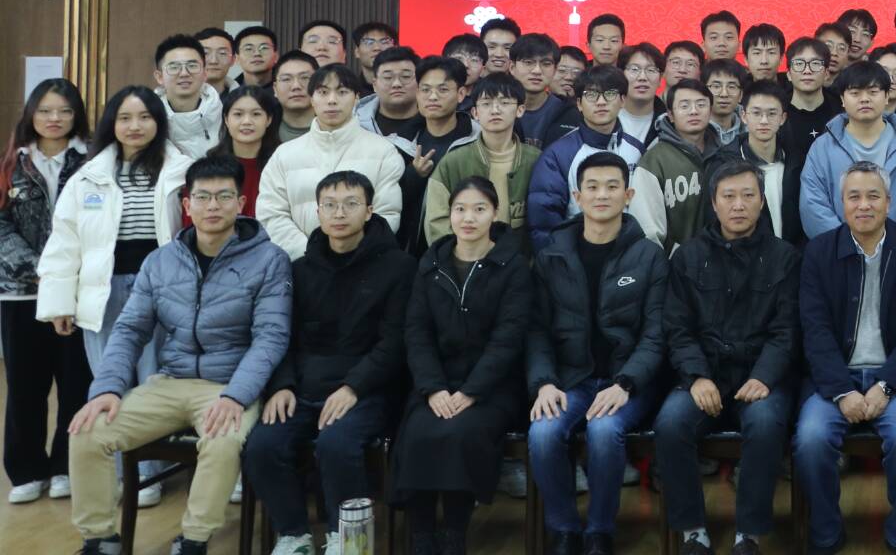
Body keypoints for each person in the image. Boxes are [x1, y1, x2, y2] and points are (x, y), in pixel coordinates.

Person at [65, 155, 292, 555]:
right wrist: (108, 388)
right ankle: (100, 539)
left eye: (224, 196)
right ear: (187, 204)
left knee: (221, 439)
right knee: (88, 429)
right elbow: (130, 329)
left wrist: (236, 395)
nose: (213, 206)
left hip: (230, 385)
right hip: (171, 382)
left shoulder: (269, 260)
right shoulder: (161, 261)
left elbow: (271, 337)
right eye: (202, 197)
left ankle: (194, 540)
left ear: (242, 203)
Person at [37, 86, 193, 507]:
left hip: (162, 290)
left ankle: (151, 472)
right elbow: (65, 240)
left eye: (144, 117)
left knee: (155, 382)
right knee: (112, 382)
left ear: (158, 122)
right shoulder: (88, 175)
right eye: (125, 118)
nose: (134, 126)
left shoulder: (180, 171)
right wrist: (59, 302)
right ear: (112, 123)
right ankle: (124, 471)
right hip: (102, 292)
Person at [244, 170, 413, 555]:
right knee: (262, 445)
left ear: (369, 210)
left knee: (337, 444)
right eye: (330, 205)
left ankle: (348, 540)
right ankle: (293, 535)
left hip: (368, 389)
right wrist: (282, 385)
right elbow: (282, 336)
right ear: (317, 212)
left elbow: (395, 342)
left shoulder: (399, 267)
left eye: (351, 204)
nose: (340, 213)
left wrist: (354, 387)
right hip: (303, 388)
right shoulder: (300, 269)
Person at [656, 157, 802, 555]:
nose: (739, 205)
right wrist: (697, 376)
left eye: (748, 196)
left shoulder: (784, 257)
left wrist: (764, 376)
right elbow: (677, 328)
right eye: (729, 196)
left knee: (766, 424)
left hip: (761, 376)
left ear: (761, 202)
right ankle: (692, 532)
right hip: (704, 375)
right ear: (713, 203)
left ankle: (748, 534)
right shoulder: (687, 256)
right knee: (670, 424)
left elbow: (787, 331)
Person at [526, 153, 668, 555]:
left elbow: (656, 334)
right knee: (542, 433)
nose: (602, 195)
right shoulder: (551, 256)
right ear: (577, 196)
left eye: (611, 187)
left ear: (628, 195)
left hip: (628, 381)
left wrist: (626, 383)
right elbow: (536, 331)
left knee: (605, 432)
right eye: (592, 187)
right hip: (570, 379)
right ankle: (565, 530)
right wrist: (544, 383)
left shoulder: (649, 256)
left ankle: (599, 532)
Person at [794, 162, 896, 555]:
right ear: (841, 203)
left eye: (873, 196)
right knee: (810, 440)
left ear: (889, 202)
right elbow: (815, 330)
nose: (864, 205)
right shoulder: (819, 252)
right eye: (853, 197)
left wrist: (886, 385)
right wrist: (842, 391)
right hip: (834, 379)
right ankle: (825, 531)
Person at [390, 176, 532, 555]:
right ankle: (421, 535)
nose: (468, 218)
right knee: (417, 432)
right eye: (460, 209)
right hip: (435, 384)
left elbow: (509, 338)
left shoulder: (513, 266)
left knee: (461, 433)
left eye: (479, 209)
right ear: (449, 213)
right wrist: (434, 388)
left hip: (491, 387)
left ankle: (454, 533)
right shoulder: (430, 263)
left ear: (495, 214)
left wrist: (471, 392)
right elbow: (416, 332)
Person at [0, 79, 91, 504]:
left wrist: (64, 276)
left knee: (75, 383)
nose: (54, 119)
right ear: (31, 115)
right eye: (45, 111)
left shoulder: (93, 161)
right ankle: (26, 469)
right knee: (24, 385)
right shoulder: (11, 163)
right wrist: (42, 272)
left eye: (64, 111)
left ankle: (65, 467)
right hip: (22, 292)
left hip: (77, 291)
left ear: (77, 116)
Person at [257, 64, 405, 260]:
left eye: (342, 92)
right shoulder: (285, 154)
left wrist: (350, 255)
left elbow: (387, 214)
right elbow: (271, 214)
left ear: (356, 98)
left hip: (363, 265)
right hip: (301, 265)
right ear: (312, 99)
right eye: (323, 92)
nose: (332, 100)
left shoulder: (383, 151)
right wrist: (310, 255)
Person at [529, 65, 666, 249]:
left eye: (609, 94)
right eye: (591, 95)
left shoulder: (637, 151)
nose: (601, 102)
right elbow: (544, 224)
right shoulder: (558, 155)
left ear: (623, 100)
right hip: (576, 253)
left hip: (628, 253)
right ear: (579, 104)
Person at [796, 61, 896, 240]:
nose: (864, 99)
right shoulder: (822, 148)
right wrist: (845, 247)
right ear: (842, 99)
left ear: (887, 96)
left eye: (873, 92)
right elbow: (813, 207)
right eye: (855, 93)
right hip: (837, 252)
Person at [424, 72, 547, 253]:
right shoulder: (453, 161)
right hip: (464, 259)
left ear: (520, 110)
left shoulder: (538, 160)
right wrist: (459, 256)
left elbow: (544, 219)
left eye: (504, 103)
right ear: (475, 113)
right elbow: (437, 221)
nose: (495, 110)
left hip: (520, 261)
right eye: (486, 103)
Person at [395, 56, 476, 255]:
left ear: (461, 94)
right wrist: (414, 175)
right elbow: (389, 200)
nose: (432, 97)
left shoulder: (476, 141)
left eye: (442, 90)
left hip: (461, 249)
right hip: (409, 251)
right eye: (425, 90)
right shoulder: (400, 142)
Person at [641, 80, 728, 252]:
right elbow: (649, 230)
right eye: (684, 105)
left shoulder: (726, 156)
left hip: (724, 260)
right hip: (674, 262)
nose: (694, 111)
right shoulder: (654, 160)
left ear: (710, 111)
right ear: (670, 115)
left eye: (701, 105)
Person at [731, 81, 804, 243]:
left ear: (782, 118)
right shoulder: (726, 165)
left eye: (772, 114)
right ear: (744, 116)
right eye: (756, 113)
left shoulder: (797, 164)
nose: (764, 121)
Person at [202, 84, 282, 218]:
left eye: (256, 114)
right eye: (238, 114)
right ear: (226, 120)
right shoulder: (208, 168)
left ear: (268, 119)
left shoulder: (282, 162)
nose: (247, 121)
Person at [153, 34, 222, 159]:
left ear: (205, 73)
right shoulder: (149, 119)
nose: (184, 73)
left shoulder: (227, 117)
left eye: (192, 66)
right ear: (159, 77)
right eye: (174, 67)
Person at [511, 34, 584, 149]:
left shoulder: (571, 114)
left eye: (546, 64)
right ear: (512, 67)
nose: (537, 71)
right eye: (528, 62)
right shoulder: (497, 109)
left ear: (555, 69)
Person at [780, 38, 837, 149]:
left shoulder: (841, 111)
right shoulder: (776, 111)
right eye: (799, 63)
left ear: (826, 74)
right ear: (789, 74)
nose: (807, 71)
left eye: (815, 63)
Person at [616, 43, 664, 144]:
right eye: (634, 69)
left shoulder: (669, 124)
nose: (642, 77)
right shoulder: (605, 117)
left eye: (651, 70)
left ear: (660, 78)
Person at [273, 51, 320, 145]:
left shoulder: (337, 129)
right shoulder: (262, 131)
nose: (296, 86)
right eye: (286, 79)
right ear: (275, 89)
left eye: (305, 78)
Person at [704, 59, 750, 146]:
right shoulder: (693, 131)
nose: (724, 94)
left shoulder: (752, 131)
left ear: (741, 95)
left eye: (731, 87)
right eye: (716, 86)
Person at [351, 23, 398, 90]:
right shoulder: (350, 90)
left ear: (396, 49)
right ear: (357, 52)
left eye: (384, 42)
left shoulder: (408, 89)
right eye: (368, 42)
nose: (377, 48)